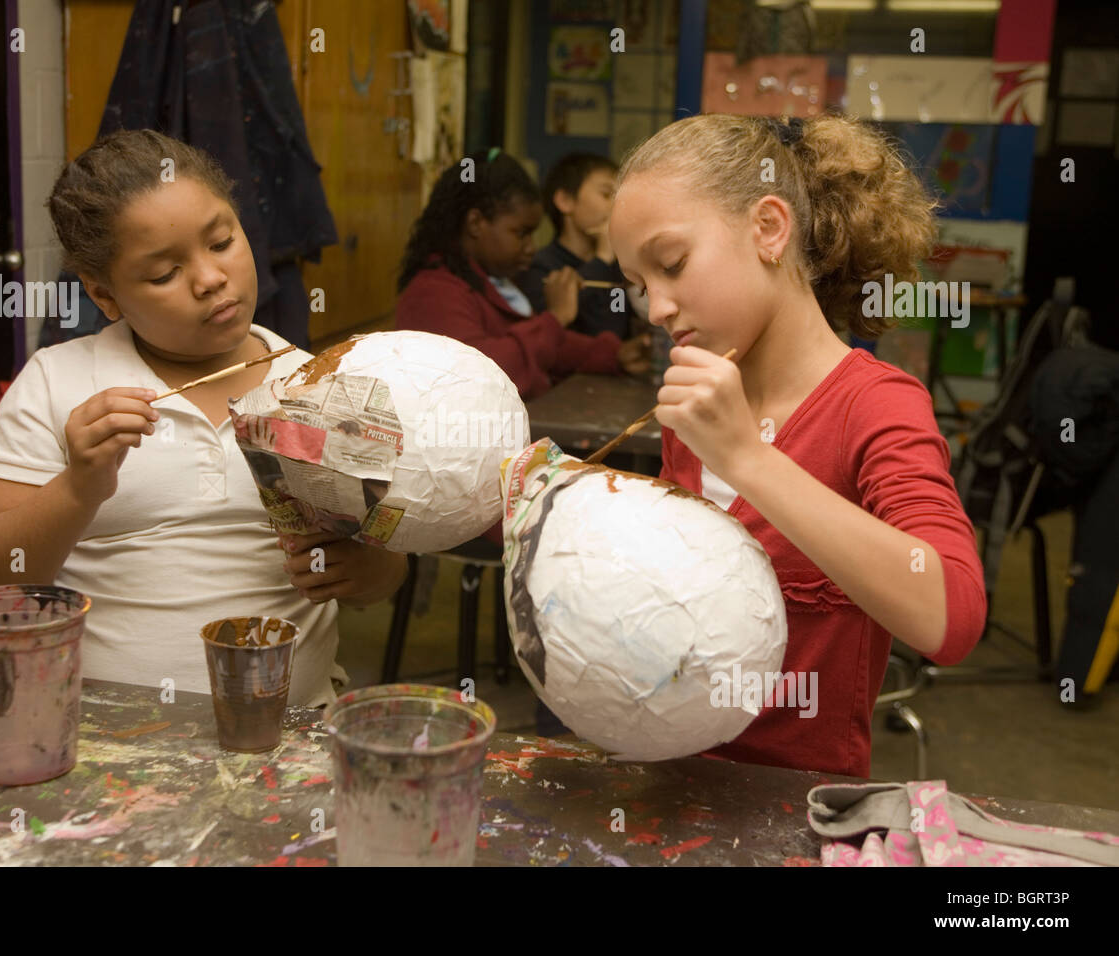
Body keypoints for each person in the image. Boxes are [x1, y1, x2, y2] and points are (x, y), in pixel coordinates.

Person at [0, 129, 408, 708]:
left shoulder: (317, 384)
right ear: (105, 295)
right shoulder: (55, 382)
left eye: (221, 241)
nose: (210, 279)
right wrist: (78, 488)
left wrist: (368, 569)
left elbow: (387, 569)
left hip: (289, 732)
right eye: (164, 275)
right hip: (106, 736)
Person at [609, 114, 987, 777]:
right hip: (670, 780)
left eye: (671, 265)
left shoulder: (874, 406)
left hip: (796, 807)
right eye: (640, 287)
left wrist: (749, 460)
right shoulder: (695, 407)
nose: (656, 308)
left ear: (768, 228)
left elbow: (951, 615)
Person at [395, 148, 649, 402]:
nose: (530, 247)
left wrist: (616, 354)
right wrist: (555, 317)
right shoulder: (433, 292)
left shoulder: (491, 283)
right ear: (475, 224)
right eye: (520, 233)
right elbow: (483, 376)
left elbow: (553, 349)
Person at [518, 152, 631, 340]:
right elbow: (548, 328)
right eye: (606, 194)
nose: (617, 204)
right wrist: (602, 259)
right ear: (565, 201)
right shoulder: (538, 266)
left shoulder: (619, 266)